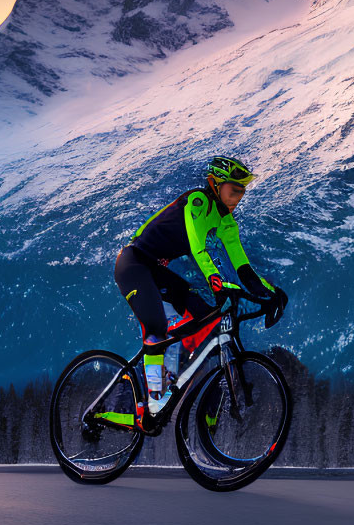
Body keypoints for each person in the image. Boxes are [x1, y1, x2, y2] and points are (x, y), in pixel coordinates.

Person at [115, 155, 285, 414]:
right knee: (156, 326)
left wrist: (271, 293)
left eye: (242, 191)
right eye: (234, 189)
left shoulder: (226, 221)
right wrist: (217, 284)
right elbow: (198, 248)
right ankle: (152, 396)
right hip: (133, 264)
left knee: (206, 316)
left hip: (156, 270)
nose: (238, 196)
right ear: (214, 184)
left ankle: (172, 377)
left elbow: (244, 268)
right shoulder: (198, 201)